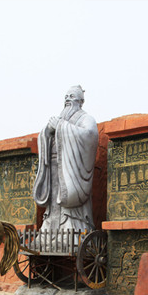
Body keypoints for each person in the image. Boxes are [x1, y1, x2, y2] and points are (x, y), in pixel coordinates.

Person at [32, 85, 99, 240]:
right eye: (66, 97)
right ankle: (48, 236)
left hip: (71, 172)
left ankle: (71, 233)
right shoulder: (60, 118)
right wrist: (47, 131)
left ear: (81, 101)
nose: (68, 99)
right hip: (54, 167)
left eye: (72, 96)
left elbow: (89, 135)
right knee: (53, 205)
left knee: (68, 206)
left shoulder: (86, 119)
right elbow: (44, 136)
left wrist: (61, 127)